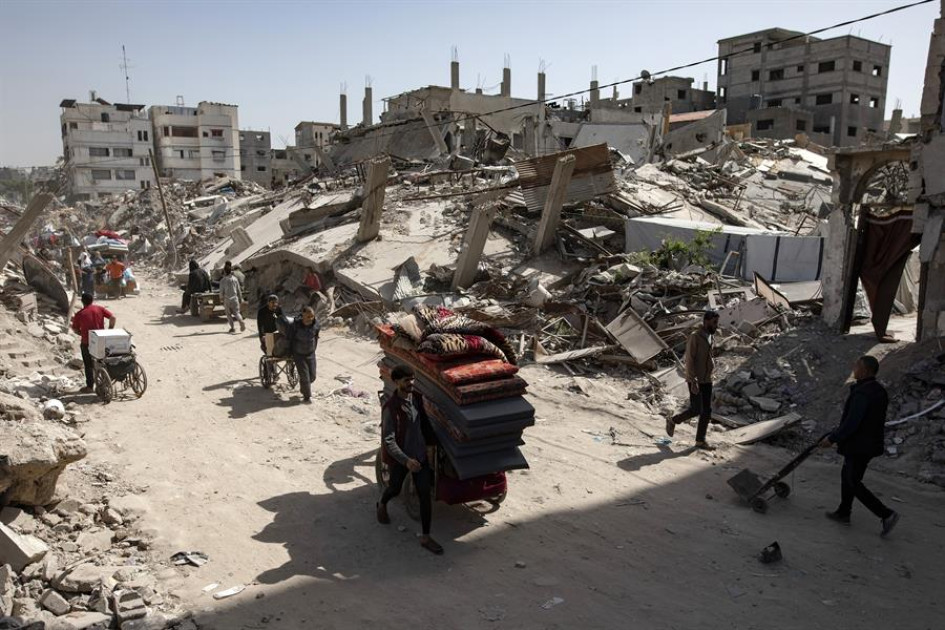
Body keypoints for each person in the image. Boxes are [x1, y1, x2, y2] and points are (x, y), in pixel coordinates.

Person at [820, 356, 900, 537]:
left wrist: (832, 439)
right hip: (869, 443)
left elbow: (853, 422)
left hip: (859, 445)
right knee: (848, 476)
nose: (854, 369)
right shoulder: (878, 390)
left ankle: (886, 514)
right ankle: (843, 512)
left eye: (856, 366)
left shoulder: (862, 393)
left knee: (853, 481)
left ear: (865, 370)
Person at [376, 365, 443, 555]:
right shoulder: (391, 408)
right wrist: (405, 461)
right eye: (407, 380)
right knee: (394, 488)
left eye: (413, 379)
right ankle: (382, 503)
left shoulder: (417, 398)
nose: (411, 383)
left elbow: (424, 423)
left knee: (424, 495)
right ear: (396, 382)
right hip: (402, 459)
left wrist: (433, 444)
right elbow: (388, 440)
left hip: (420, 456)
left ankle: (425, 536)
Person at [666, 310, 720, 450]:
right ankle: (673, 420)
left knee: (706, 411)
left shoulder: (710, 336)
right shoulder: (695, 337)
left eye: (717, 323)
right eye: (714, 322)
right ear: (706, 321)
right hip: (695, 380)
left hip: (707, 379)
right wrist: (692, 380)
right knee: (696, 409)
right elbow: (690, 360)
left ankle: (700, 441)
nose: (716, 326)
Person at [70, 293, 116, 393]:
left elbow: (75, 328)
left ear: (82, 301)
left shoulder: (79, 314)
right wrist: (110, 330)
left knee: (88, 365)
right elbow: (113, 318)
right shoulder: (100, 309)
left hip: (87, 342)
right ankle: (105, 381)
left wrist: (82, 334)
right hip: (101, 340)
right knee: (103, 361)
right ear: (92, 300)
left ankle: (90, 387)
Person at [286, 305, 319, 402]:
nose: (310, 319)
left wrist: (314, 349)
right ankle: (307, 396)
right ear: (303, 315)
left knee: (312, 377)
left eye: (312, 316)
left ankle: (304, 387)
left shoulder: (316, 324)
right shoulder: (295, 326)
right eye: (308, 316)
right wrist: (290, 353)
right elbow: (290, 339)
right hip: (299, 354)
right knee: (305, 376)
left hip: (310, 353)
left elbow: (316, 337)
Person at [219, 263, 245, 334]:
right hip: (235, 298)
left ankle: (232, 328)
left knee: (228, 314)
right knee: (236, 312)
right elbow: (238, 290)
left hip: (227, 299)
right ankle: (241, 321)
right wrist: (240, 298)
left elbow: (221, 291)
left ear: (224, 271)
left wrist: (221, 298)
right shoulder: (235, 279)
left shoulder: (223, 280)